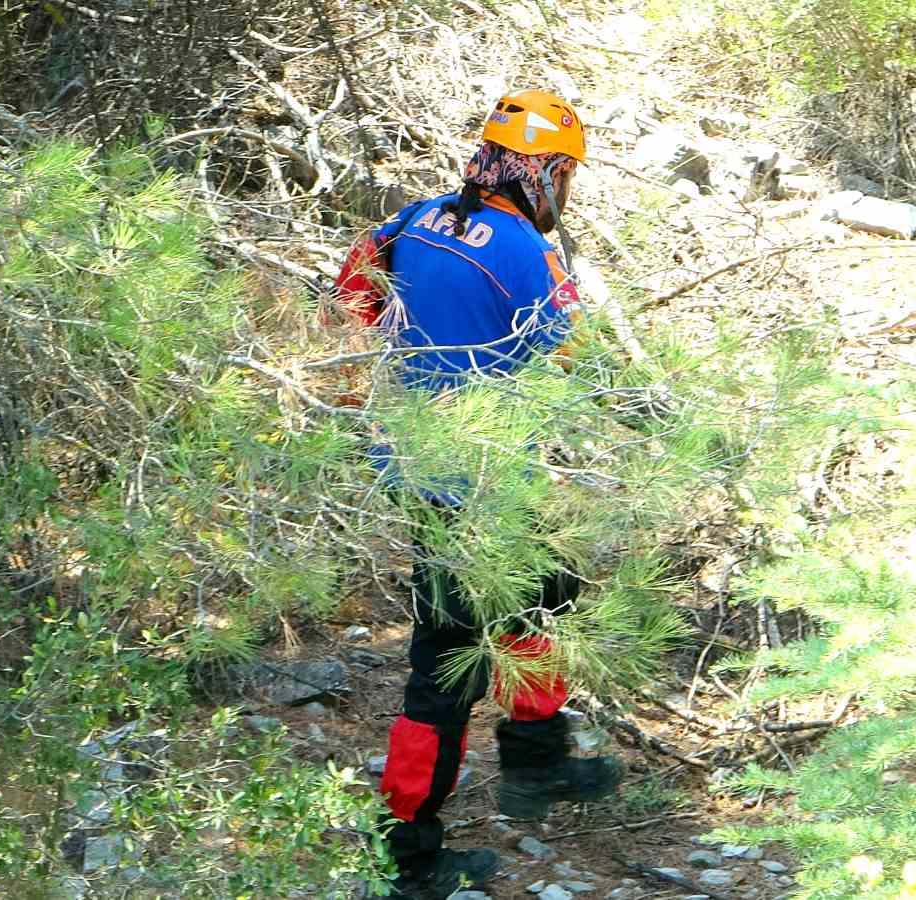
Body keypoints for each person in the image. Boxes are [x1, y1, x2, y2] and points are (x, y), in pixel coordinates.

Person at [333, 90, 622, 899]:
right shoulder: (529, 252)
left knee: (543, 595)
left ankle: (536, 764)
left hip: (423, 466)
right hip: (479, 477)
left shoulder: (415, 218)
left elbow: (354, 293)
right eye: (564, 174)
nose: (565, 192)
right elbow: (572, 361)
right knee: (447, 661)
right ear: (543, 172)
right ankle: (407, 855)